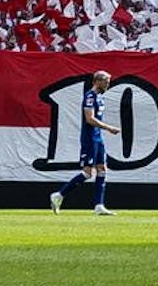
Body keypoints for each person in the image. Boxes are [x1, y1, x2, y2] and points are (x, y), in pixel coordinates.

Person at [50, 70, 118, 215]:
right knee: (88, 173)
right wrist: (109, 128)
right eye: (106, 82)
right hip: (89, 138)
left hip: (98, 137)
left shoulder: (99, 97)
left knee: (102, 169)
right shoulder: (90, 96)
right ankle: (59, 195)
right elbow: (89, 119)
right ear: (97, 81)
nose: (108, 85)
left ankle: (99, 205)